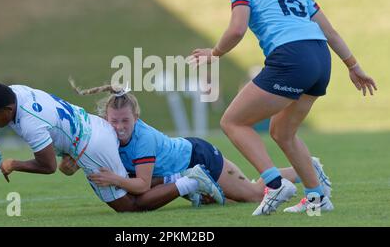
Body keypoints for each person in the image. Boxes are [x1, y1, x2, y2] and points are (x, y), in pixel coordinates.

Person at [189, 0, 377, 215]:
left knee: (233, 122)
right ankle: (317, 199)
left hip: (291, 59)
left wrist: (214, 54)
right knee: (282, 131)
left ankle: (274, 183)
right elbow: (330, 32)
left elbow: (237, 29)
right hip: (320, 58)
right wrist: (353, 66)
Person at [0, 83, 224, 212]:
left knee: (130, 206)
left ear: (8, 109)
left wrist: (14, 164)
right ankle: (177, 179)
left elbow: (48, 166)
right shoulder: (14, 92)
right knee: (130, 182)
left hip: (91, 147)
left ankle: (189, 182)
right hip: (92, 126)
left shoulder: (29, 123)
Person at [67, 79, 331, 206]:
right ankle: (307, 167)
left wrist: (112, 178)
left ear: (137, 117)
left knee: (251, 196)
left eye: (126, 121)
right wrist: (73, 161)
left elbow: (141, 185)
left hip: (198, 157)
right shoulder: (105, 130)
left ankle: (306, 170)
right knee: (245, 190)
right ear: (105, 118)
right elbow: (85, 154)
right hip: (186, 157)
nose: (120, 127)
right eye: (114, 121)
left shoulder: (142, 140)